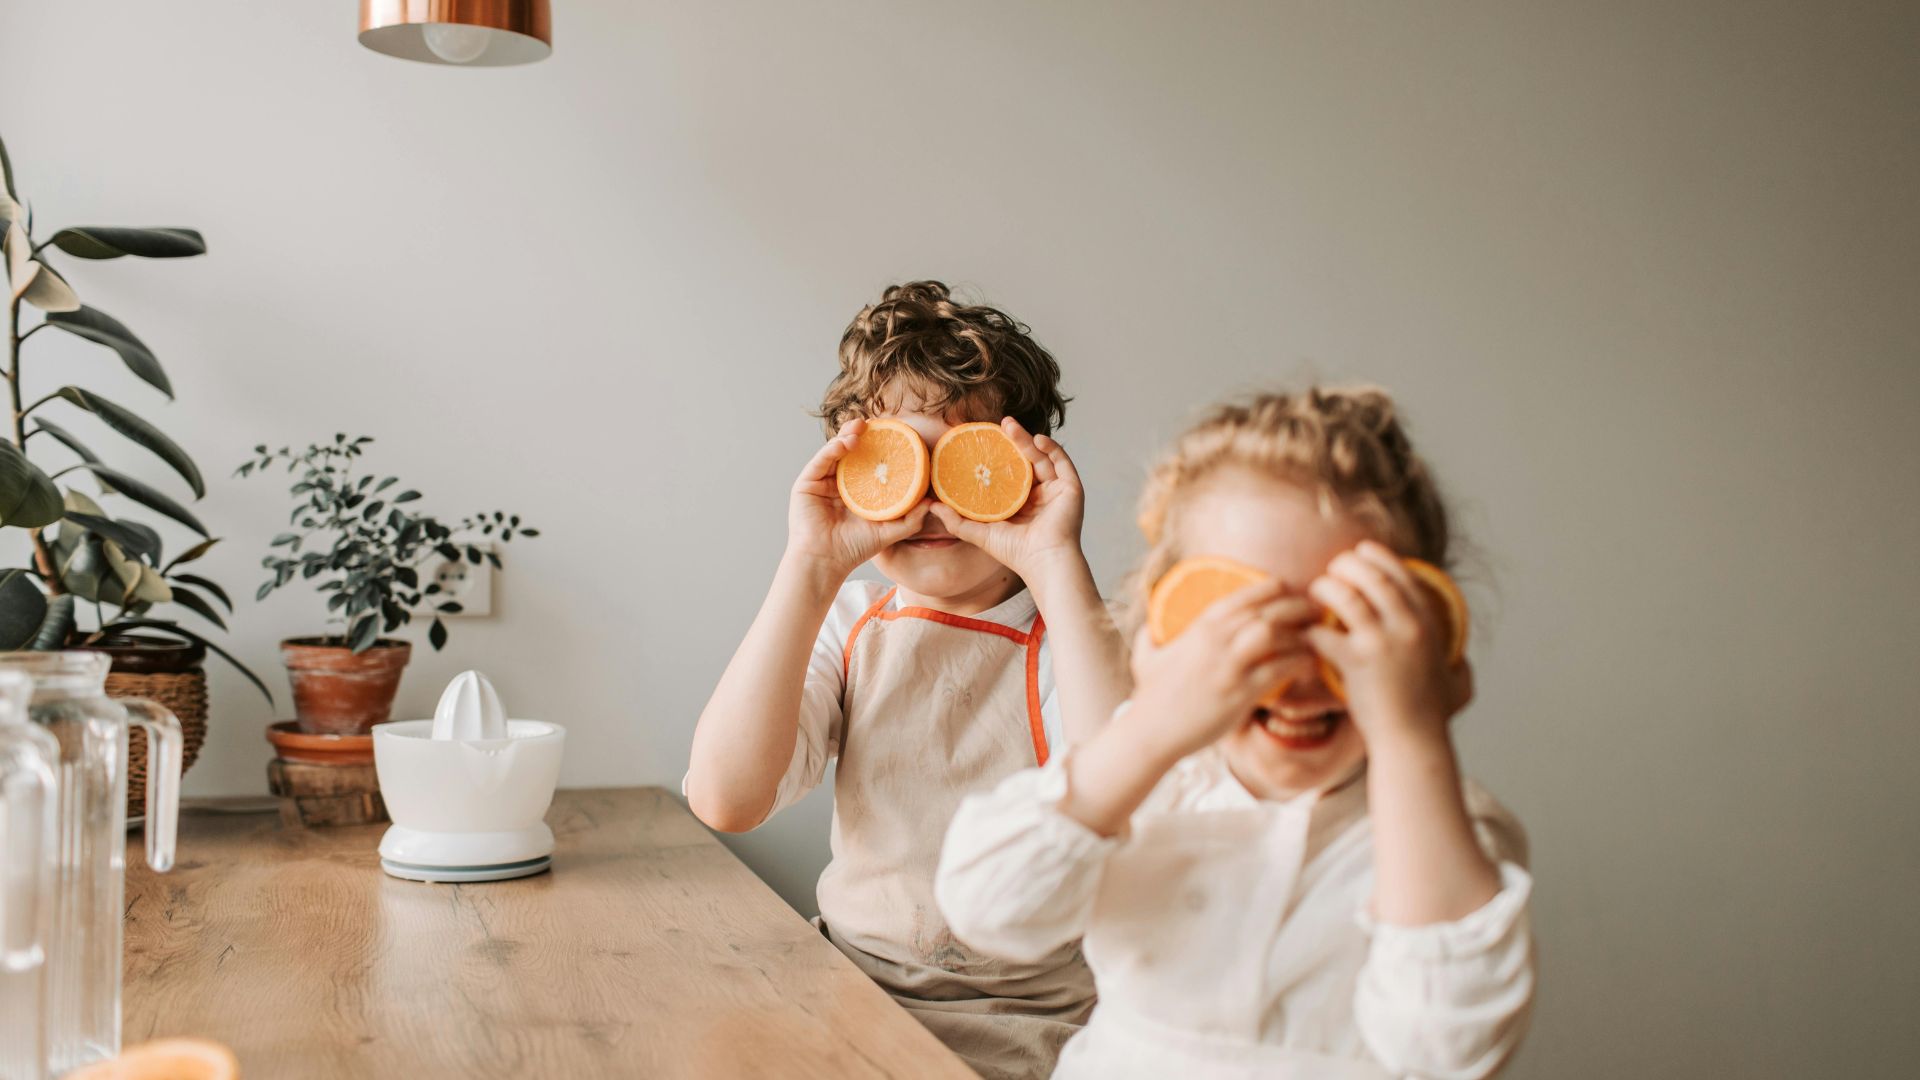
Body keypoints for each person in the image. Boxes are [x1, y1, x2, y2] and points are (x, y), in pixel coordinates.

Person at [937, 387, 1535, 1078]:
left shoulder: (1447, 831)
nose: (1296, 674)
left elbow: (1447, 1052)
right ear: (1167, 627)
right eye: (1246, 623)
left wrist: (1410, 737)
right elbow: (988, 912)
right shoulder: (1148, 778)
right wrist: (1157, 720)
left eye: (1351, 621)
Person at [686, 282, 1129, 1079]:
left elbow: (1126, 803)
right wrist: (809, 568)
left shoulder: (1079, 634)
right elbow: (726, 797)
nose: (926, 500)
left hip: (1035, 1024)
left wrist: (1058, 564)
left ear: (1023, 467)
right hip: (847, 997)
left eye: (964, 463)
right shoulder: (849, 618)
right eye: (897, 460)